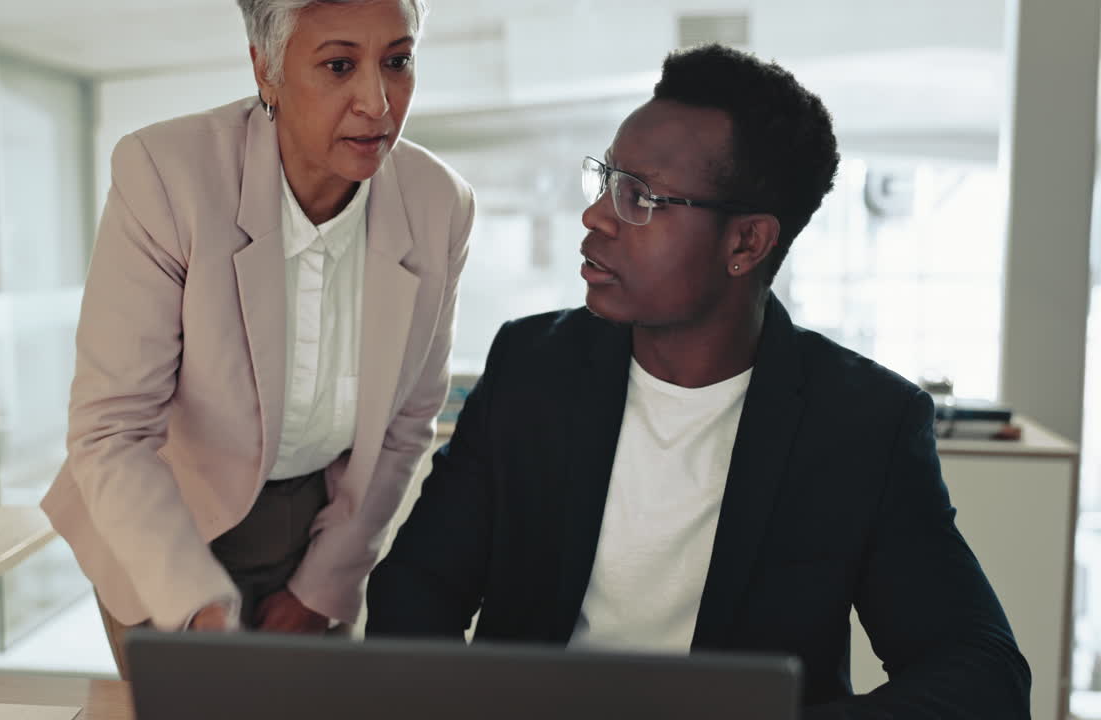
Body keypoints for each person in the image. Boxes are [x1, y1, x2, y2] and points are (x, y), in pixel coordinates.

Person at [366, 44, 1029, 718]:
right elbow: (417, 586)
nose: (597, 215)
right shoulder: (533, 366)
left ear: (746, 244)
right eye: (605, 180)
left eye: (640, 197)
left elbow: (981, 673)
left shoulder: (861, 425)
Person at [41, 0, 474, 679]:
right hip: (162, 510)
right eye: (338, 65)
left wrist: (319, 586)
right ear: (265, 70)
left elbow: (407, 422)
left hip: (323, 519)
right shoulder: (166, 174)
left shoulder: (439, 202)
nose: (377, 102)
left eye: (398, 61)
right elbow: (113, 432)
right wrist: (200, 612)